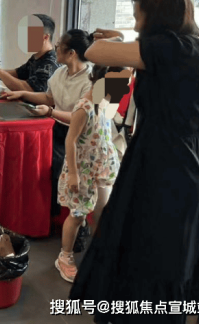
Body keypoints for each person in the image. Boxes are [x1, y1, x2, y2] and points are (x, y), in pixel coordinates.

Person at [70, 0, 199, 324]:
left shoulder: (169, 47)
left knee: (145, 249)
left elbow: (94, 51)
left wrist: (118, 37)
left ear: (156, 17)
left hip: (165, 162)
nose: (136, 24)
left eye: (138, 16)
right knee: (178, 253)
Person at [3, 29, 94, 220]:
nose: (55, 48)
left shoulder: (90, 81)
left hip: (79, 136)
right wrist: (23, 94)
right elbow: (49, 98)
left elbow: (80, 118)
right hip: (56, 127)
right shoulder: (60, 72)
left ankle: (55, 216)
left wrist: (50, 112)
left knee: (52, 162)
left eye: (59, 46)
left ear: (71, 53)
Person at [55, 65, 123, 283]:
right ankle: (64, 256)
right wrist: (73, 174)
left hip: (100, 168)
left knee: (102, 211)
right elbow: (71, 140)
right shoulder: (84, 107)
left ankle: (100, 253)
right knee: (78, 214)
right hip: (83, 170)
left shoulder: (105, 103)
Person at [0, 13, 59, 92]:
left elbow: (30, 89)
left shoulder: (50, 64)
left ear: (45, 37)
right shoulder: (37, 57)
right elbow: (17, 74)